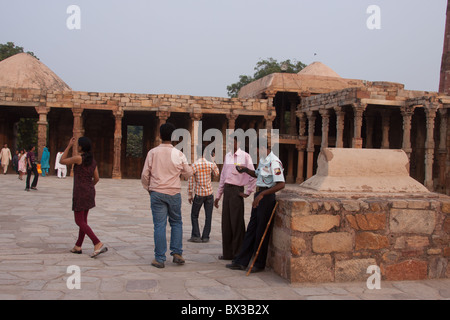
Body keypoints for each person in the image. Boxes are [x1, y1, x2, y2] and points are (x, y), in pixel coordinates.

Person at [226, 142, 285, 273]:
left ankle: (259, 263)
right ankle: (242, 261)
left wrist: (262, 194)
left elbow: (281, 184)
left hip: (266, 197)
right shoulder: (263, 160)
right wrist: (245, 170)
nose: (257, 152)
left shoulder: (274, 162)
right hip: (259, 195)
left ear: (266, 147)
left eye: (258, 149)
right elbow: (258, 174)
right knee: (251, 229)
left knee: (261, 230)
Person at [141, 123, 193, 268]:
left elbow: (145, 174)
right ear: (174, 137)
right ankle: (177, 253)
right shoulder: (179, 154)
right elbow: (188, 173)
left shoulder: (152, 153)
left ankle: (159, 258)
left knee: (159, 225)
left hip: (157, 192)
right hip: (174, 192)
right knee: (176, 223)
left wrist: (148, 188)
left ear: (160, 135)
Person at [60, 137, 107, 258]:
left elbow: (62, 160)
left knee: (79, 221)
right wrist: (89, 186)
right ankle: (78, 246)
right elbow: (96, 178)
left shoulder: (78, 158)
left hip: (80, 192)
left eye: (78, 145)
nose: (77, 146)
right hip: (90, 191)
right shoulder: (93, 161)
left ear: (81, 147)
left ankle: (97, 242)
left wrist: (69, 145)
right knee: (84, 221)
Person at [214, 138, 256, 261]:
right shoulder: (227, 156)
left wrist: (248, 192)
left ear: (239, 143)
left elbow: (253, 175)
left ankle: (238, 253)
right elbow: (223, 176)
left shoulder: (245, 156)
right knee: (226, 223)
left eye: (233, 142)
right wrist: (218, 195)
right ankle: (227, 253)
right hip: (227, 190)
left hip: (237, 191)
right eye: (229, 142)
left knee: (236, 223)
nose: (231, 144)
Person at [187, 144, 220, 243]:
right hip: (209, 193)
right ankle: (206, 237)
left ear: (197, 152)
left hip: (199, 194)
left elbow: (191, 181)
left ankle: (196, 236)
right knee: (208, 216)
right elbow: (217, 173)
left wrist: (190, 194)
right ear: (205, 152)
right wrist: (213, 160)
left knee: (194, 215)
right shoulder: (210, 164)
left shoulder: (194, 165)